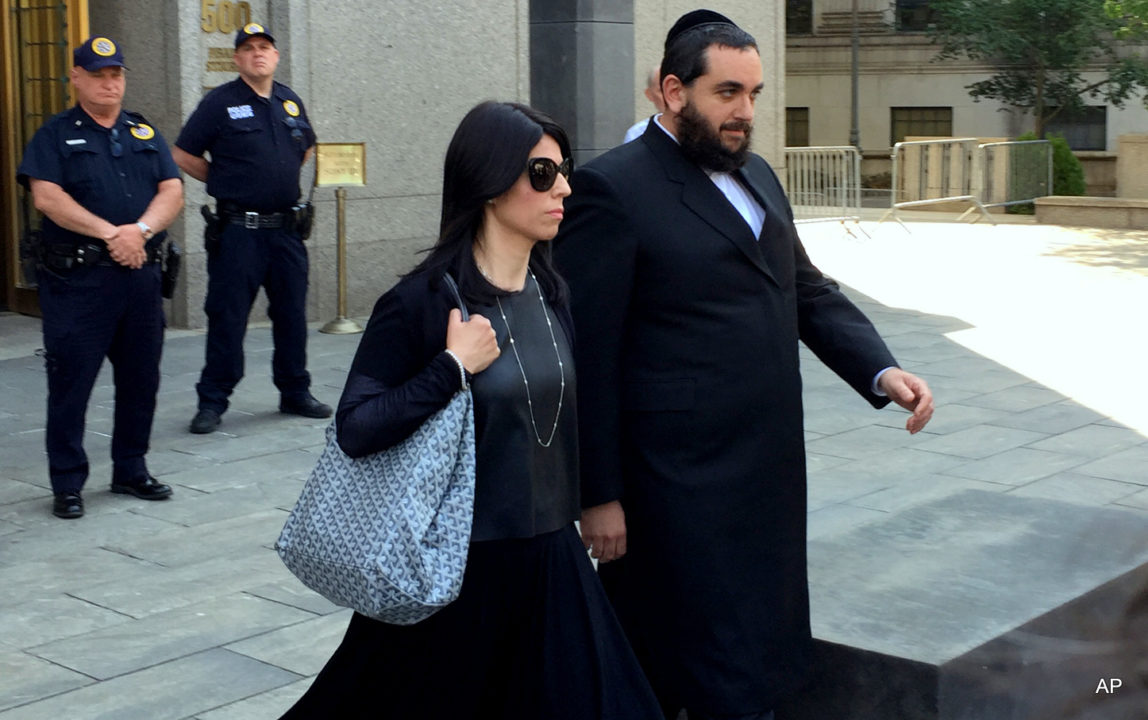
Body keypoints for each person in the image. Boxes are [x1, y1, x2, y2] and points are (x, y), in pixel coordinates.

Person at [554, 10, 935, 720]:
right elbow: (590, 355)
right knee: (679, 657)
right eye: (728, 93)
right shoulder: (612, 189)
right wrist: (597, 494)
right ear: (672, 91)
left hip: (765, 467)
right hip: (674, 484)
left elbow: (806, 289)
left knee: (761, 644)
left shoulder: (756, 172)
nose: (745, 113)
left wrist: (881, 371)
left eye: (754, 94)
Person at [279, 101, 662, 720]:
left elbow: (565, 412)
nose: (563, 187)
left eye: (563, 171)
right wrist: (450, 368)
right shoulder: (422, 302)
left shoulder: (552, 293)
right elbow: (354, 428)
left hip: (552, 563)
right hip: (459, 573)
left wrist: (597, 496)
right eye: (542, 174)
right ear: (488, 184)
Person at [16, 36, 184, 519]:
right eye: (98, 74)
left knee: (141, 379)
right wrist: (115, 234)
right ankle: (68, 482)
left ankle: (131, 468)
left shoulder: (142, 131)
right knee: (71, 382)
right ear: (76, 78)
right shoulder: (55, 135)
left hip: (139, 279)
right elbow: (47, 198)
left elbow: (171, 190)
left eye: (116, 74)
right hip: (80, 283)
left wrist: (142, 231)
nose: (109, 83)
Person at [173, 23, 330, 435]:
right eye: (248, 48)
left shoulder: (289, 101)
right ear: (238, 59)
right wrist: (223, 179)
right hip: (239, 232)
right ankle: (213, 400)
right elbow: (182, 153)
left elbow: (306, 146)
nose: (258, 54)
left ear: (275, 56)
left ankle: (295, 390)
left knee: (292, 315)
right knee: (228, 316)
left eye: (265, 47)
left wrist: (275, 178)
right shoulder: (219, 103)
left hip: (286, 230)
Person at [623, 65, 666, 143]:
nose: (670, 96)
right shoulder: (636, 134)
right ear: (649, 95)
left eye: (675, 89)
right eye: (661, 90)